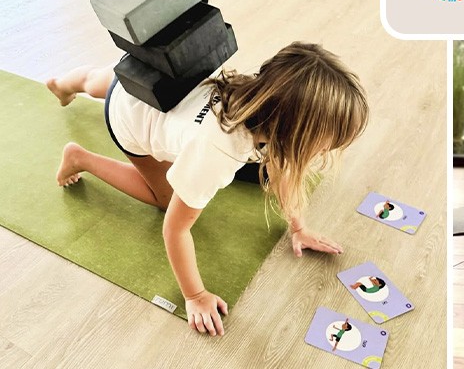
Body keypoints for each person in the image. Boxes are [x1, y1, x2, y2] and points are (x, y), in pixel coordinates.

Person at [48, 42, 370, 335]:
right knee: (164, 199)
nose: (327, 150)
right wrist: (195, 295)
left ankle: (63, 85)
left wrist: (298, 227)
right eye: (327, 142)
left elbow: (279, 168)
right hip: (129, 118)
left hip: (139, 78)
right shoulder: (219, 151)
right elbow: (175, 229)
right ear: (293, 129)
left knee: (94, 81)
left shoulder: (259, 100)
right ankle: (80, 159)